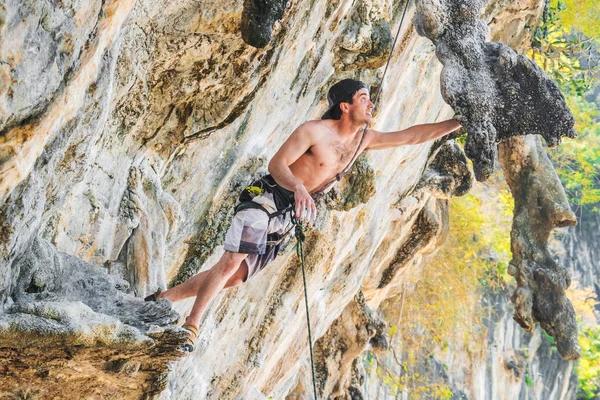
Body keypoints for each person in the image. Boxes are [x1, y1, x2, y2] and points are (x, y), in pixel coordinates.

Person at [146, 79, 462, 351]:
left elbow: (411, 136)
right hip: (266, 197)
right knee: (230, 261)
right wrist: (298, 187)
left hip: (288, 217)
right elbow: (276, 164)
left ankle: (163, 299)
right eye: (364, 98)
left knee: (236, 276)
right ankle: (191, 325)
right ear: (345, 106)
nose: (372, 104)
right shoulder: (313, 132)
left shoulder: (363, 140)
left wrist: (458, 122)